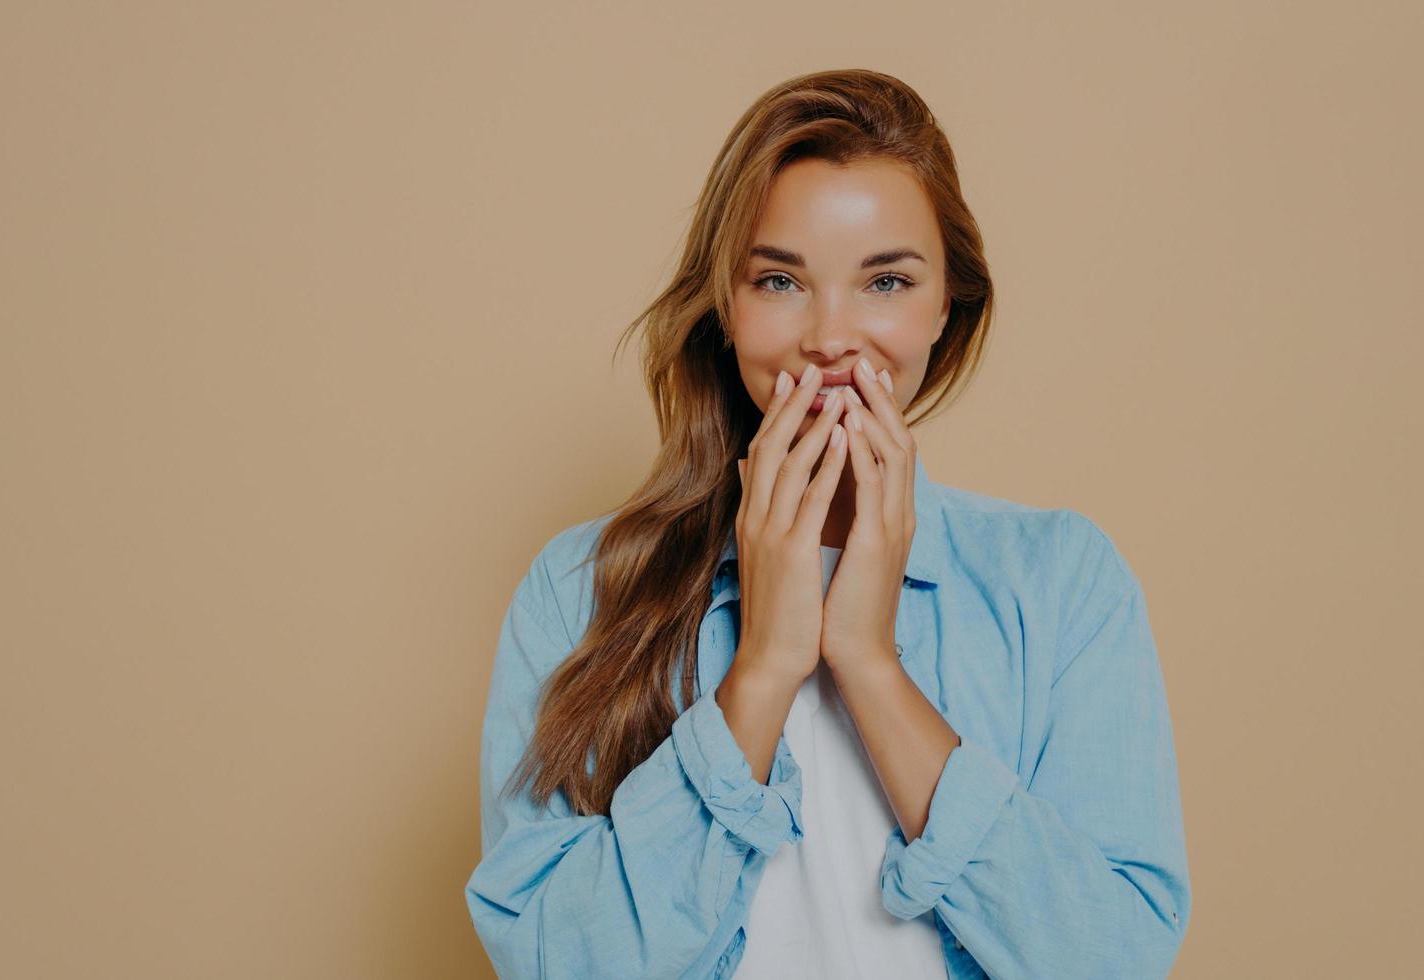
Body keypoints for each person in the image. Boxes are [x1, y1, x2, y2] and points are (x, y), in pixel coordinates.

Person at [464, 68, 1191, 979]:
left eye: (886, 281)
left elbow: (1114, 960)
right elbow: (556, 962)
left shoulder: (1060, 580)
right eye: (779, 280)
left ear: (945, 309)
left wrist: (870, 664)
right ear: (725, 310)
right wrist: (765, 664)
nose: (831, 336)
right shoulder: (579, 591)